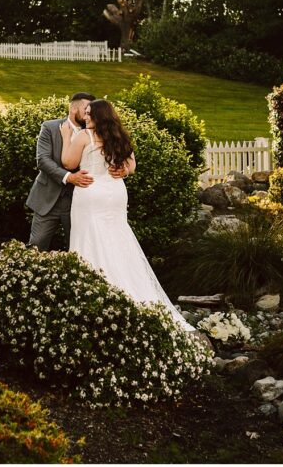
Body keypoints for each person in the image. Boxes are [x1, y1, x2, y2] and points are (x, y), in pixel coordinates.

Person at [60, 99, 197, 333]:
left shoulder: (84, 135)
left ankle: (93, 295)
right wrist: (123, 170)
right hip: (115, 192)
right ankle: (130, 287)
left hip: (91, 191)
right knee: (118, 239)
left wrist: (66, 137)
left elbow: (68, 162)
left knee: (89, 239)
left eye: (90, 113)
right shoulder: (119, 136)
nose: (86, 117)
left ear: (100, 116)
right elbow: (131, 166)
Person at [26, 92, 129, 251]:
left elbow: (119, 156)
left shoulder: (97, 130)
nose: (89, 113)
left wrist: (124, 170)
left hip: (81, 200)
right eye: (86, 108)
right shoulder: (50, 127)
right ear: (73, 108)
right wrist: (68, 177)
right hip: (49, 197)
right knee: (37, 243)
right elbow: (43, 160)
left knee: (80, 247)